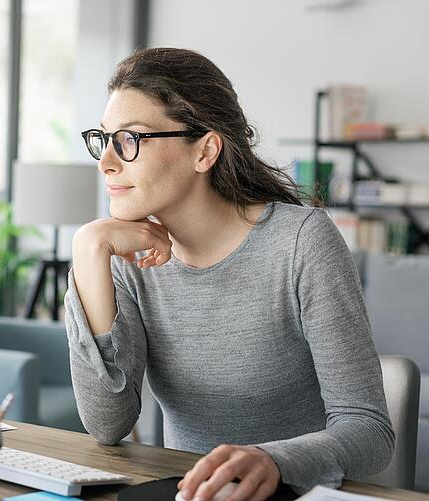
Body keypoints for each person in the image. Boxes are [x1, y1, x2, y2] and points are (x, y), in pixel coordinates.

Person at [65, 47, 394, 501]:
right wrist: (88, 252)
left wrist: (272, 461)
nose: (106, 161)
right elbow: (107, 424)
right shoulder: (129, 259)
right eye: (104, 139)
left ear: (205, 150)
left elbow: (370, 431)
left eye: (130, 140)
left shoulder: (301, 242)